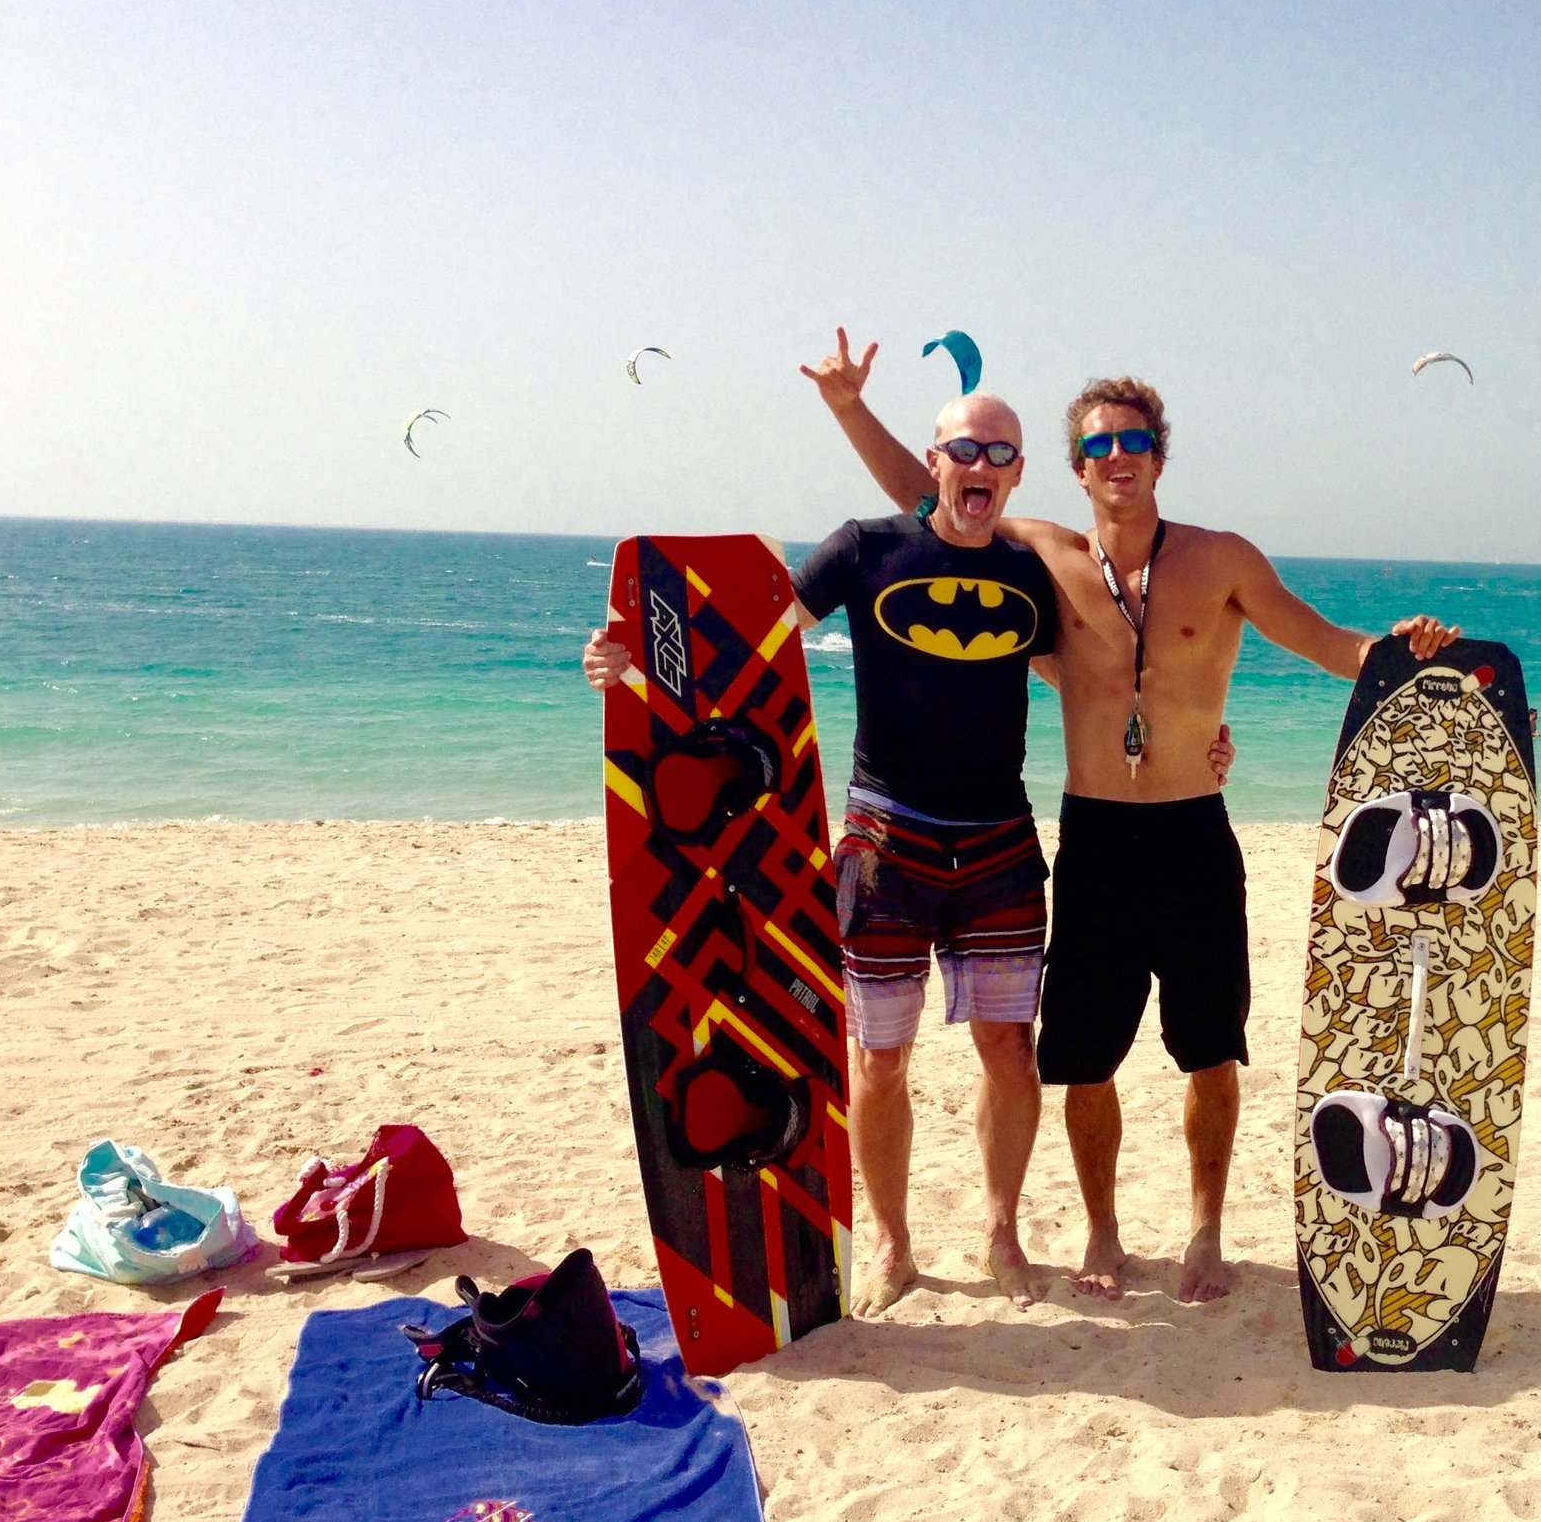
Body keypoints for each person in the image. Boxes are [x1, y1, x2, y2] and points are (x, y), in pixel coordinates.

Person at [802, 331, 1459, 1304]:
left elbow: (1325, 642)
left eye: (1136, 439)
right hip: (1095, 840)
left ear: (1159, 453)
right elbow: (928, 495)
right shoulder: (1043, 556)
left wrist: (1410, 653)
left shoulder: (1222, 558)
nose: (1119, 455)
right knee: (1081, 1060)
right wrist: (853, 407)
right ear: (1072, 468)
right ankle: (1101, 1233)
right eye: (1100, 444)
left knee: (1211, 1051)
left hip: (1195, 835)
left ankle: (1204, 1233)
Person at [583, 388, 1231, 1318]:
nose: (980, 466)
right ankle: (892, 1242)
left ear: (1016, 471)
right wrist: (635, 663)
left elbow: (1112, 673)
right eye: (963, 450)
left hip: (1001, 842)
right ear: (935, 459)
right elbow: (754, 644)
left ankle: (1002, 1233)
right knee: (880, 1057)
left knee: (1010, 1051)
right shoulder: (864, 547)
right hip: (888, 838)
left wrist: (1201, 734)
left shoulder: (1027, 570)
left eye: (999, 452)